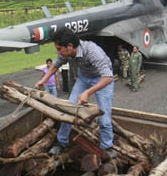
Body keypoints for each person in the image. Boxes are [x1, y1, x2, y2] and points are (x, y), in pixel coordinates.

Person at [35, 27, 115, 159]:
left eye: (59, 49)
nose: (58, 52)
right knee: (69, 109)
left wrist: (87, 93)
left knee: (104, 117)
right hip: (84, 77)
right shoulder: (65, 53)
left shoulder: (93, 52)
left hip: (102, 80)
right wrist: (43, 80)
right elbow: (55, 66)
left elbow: (108, 77)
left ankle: (107, 147)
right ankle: (61, 142)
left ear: (70, 46)